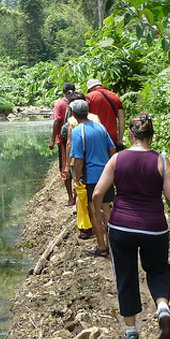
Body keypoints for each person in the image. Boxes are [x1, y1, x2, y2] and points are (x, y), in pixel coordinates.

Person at [92, 113, 170, 339]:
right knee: (158, 269)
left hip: (122, 226)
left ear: (130, 134)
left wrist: (101, 217)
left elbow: (98, 193)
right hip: (154, 227)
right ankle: (162, 308)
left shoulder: (117, 160)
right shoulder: (161, 159)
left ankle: (131, 333)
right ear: (152, 135)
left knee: (126, 274)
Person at [68, 98, 115, 257]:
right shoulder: (100, 127)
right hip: (106, 175)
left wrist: (77, 177)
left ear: (74, 114)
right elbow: (112, 148)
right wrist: (112, 166)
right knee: (106, 208)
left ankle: (101, 246)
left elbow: (79, 159)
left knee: (94, 210)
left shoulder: (77, 131)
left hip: (92, 177)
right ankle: (112, 245)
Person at [64, 93, 101, 239]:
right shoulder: (95, 118)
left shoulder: (72, 121)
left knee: (80, 192)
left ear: (73, 111)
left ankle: (84, 227)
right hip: (97, 161)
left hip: (79, 161)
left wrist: (67, 165)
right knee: (97, 193)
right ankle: (100, 222)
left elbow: (69, 143)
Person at [49, 82, 76, 206]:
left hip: (65, 140)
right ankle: (77, 195)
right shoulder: (79, 101)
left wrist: (53, 139)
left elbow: (57, 122)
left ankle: (71, 198)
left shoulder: (60, 103)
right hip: (79, 138)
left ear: (63, 92)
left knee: (66, 168)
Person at [85, 79, 125, 151]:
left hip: (95, 136)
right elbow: (121, 119)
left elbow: (84, 117)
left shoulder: (89, 97)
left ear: (90, 88)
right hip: (112, 137)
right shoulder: (115, 97)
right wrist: (120, 138)